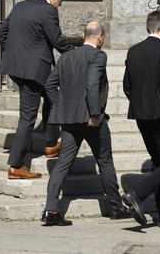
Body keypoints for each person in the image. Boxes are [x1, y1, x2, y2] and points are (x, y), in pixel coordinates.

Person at [41, 21, 134, 226]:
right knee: (105, 161)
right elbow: (92, 84)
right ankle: (116, 207)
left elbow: (49, 85)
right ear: (100, 37)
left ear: (84, 35)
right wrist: (94, 113)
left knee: (63, 163)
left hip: (69, 119)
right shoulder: (98, 56)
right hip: (91, 119)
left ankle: (51, 210)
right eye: (103, 37)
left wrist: (62, 105)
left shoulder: (66, 57)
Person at [0, 0, 73, 179]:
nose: (61, 3)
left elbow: (1, 34)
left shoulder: (20, 6)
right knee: (28, 117)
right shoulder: (48, 11)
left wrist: (18, 53)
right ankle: (16, 165)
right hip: (33, 70)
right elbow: (57, 40)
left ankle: (50, 143)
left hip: (16, 67)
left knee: (51, 96)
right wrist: (77, 56)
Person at [122, 10, 160, 227]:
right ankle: (137, 194)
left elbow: (127, 85)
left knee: (158, 161)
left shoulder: (134, 51)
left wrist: (138, 103)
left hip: (141, 114)